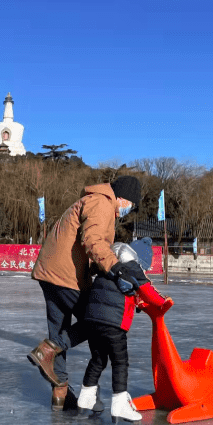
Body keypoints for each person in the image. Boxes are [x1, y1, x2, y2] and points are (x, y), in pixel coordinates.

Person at [28, 176, 142, 410]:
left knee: (60, 330)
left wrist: (98, 269)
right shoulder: (102, 203)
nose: (128, 210)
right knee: (96, 321)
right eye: (130, 204)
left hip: (50, 272)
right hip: (65, 275)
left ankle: (60, 395)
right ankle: (48, 351)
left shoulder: (91, 201)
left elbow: (84, 244)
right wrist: (115, 268)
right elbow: (93, 240)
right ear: (122, 198)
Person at [78, 238, 172, 423]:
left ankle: (86, 396)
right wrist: (163, 302)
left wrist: (137, 302)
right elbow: (147, 290)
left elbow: (121, 290)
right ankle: (119, 404)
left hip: (92, 319)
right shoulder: (132, 267)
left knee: (98, 358)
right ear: (138, 260)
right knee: (120, 362)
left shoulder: (109, 266)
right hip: (113, 323)